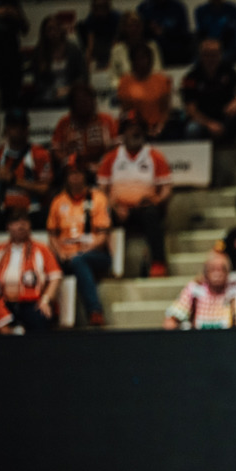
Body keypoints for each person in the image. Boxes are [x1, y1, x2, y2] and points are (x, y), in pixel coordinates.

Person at [96, 112, 173, 277]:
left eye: (138, 129)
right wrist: (115, 206)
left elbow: (167, 187)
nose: (135, 132)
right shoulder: (111, 158)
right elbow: (102, 190)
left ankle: (158, 263)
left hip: (144, 208)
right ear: (123, 133)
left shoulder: (154, 156)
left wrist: (157, 200)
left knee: (151, 214)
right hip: (118, 209)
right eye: (131, 129)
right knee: (99, 215)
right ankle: (105, 266)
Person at [46, 158, 112, 326]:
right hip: (64, 256)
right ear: (66, 177)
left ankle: (95, 311)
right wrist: (60, 253)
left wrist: (85, 250)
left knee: (79, 261)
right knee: (45, 264)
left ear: (85, 175)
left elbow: (103, 235)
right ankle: (47, 317)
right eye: (71, 174)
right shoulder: (58, 201)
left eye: (78, 173)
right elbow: (52, 235)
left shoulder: (97, 198)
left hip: (95, 254)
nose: (75, 177)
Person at [0, 208, 62, 332]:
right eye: (16, 222)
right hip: (3, 303)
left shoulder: (42, 249)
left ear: (30, 226)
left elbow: (56, 277)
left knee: (41, 317)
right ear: (8, 227)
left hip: (32, 303)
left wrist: (46, 300)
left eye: (25, 222)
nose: (21, 225)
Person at [181, 38, 236, 162]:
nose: (211, 58)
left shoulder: (228, 69)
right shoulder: (190, 77)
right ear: (201, 56)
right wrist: (209, 124)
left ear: (220, 54)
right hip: (204, 122)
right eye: (207, 54)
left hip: (226, 118)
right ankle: (195, 162)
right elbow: (190, 110)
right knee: (192, 128)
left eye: (214, 54)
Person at [0, 108, 52, 231]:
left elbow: (45, 189)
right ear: (6, 129)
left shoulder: (39, 154)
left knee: (46, 214)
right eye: (14, 126)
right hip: (3, 210)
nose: (18, 130)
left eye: (22, 126)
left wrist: (15, 180)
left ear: (27, 129)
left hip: (31, 209)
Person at [163, 250, 236, 329]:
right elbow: (170, 320)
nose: (217, 274)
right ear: (205, 273)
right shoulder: (194, 289)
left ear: (228, 273)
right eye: (213, 270)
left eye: (221, 269)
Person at [50, 83, 119, 175]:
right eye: (79, 102)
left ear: (93, 101)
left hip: (103, 169)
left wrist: (103, 164)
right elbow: (56, 150)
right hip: (73, 171)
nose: (84, 105)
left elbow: (116, 147)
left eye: (87, 101)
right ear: (73, 105)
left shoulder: (106, 120)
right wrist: (68, 162)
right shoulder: (64, 123)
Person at [116, 44, 176, 141]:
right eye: (138, 58)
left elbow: (166, 109)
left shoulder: (162, 80)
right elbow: (126, 111)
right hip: (135, 127)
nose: (142, 62)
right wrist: (139, 128)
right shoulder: (125, 82)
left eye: (145, 58)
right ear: (132, 61)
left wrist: (160, 127)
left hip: (160, 127)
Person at [27, 15, 87, 109]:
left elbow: (82, 75)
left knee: (71, 99)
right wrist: (53, 92)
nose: (53, 32)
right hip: (47, 94)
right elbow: (38, 81)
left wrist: (69, 89)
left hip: (71, 91)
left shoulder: (73, 50)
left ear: (60, 29)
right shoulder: (39, 52)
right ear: (44, 33)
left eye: (55, 28)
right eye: (49, 30)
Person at [136, 0, 193, 66]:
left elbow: (184, 35)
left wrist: (164, 32)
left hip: (176, 54)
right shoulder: (143, 9)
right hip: (152, 57)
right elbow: (140, 36)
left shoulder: (177, 6)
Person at [194, 0, 236, 64]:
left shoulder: (233, 9)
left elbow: (231, 32)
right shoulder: (201, 11)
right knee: (198, 61)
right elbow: (201, 33)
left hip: (228, 48)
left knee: (224, 58)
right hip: (208, 48)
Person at [109, 11, 163, 86]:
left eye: (137, 25)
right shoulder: (117, 50)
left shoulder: (152, 46)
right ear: (124, 28)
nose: (134, 29)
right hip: (125, 91)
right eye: (131, 25)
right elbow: (113, 78)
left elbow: (158, 71)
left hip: (150, 89)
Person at [77, 0, 121, 73]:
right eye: (97, 7)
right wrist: (88, 65)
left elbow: (116, 42)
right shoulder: (91, 18)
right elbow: (90, 44)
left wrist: (110, 64)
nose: (100, 10)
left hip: (114, 44)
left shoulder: (116, 17)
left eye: (102, 7)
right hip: (100, 46)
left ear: (107, 6)